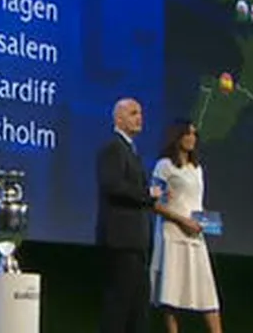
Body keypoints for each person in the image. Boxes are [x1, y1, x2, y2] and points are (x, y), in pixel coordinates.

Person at [95, 97, 165, 333]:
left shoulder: (130, 151)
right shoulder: (113, 148)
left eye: (140, 113)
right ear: (118, 118)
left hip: (136, 243)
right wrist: (148, 193)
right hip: (121, 241)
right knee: (119, 307)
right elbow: (113, 185)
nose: (139, 118)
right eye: (133, 113)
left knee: (138, 310)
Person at [150, 119, 223, 333]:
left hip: (195, 236)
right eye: (187, 133)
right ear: (177, 136)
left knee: (207, 292)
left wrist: (204, 221)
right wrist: (182, 220)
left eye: (194, 134)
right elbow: (155, 204)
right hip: (173, 235)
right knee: (171, 293)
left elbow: (195, 201)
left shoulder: (196, 168)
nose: (192, 138)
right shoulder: (164, 166)